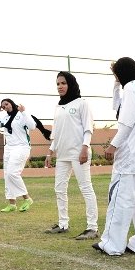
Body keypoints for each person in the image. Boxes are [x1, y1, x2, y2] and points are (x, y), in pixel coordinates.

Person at [92, 57, 135, 255]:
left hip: (131, 156)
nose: (116, 77)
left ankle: (112, 244)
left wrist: (113, 146)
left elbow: (127, 120)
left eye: (116, 73)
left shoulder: (131, 88)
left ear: (122, 71)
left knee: (121, 200)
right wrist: (115, 85)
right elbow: (118, 108)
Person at [44, 71, 99, 240]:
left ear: (71, 84)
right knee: (59, 189)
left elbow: (88, 128)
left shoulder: (82, 103)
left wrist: (84, 148)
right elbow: (57, 132)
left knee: (85, 188)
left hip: (78, 153)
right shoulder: (59, 107)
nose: (60, 87)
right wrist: (50, 152)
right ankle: (63, 224)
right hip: (62, 155)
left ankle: (92, 228)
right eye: (58, 84)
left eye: (63, 83)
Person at [0, 98, 51, 212]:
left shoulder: (22, 114)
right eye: (3, 106)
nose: (5, 107)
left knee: (12, 173)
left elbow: (32, 126)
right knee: (7, 175)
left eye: (6, 104)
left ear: (12, 103)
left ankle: (27, 198)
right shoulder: (5, 117)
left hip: (21, 147)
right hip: (9, 148)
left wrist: (24, 112)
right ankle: (12, 204)